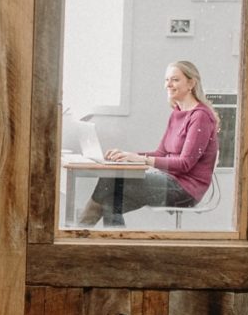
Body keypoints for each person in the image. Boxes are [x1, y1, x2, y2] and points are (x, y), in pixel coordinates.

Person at [78, 60, 219, 227]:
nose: (168, 84)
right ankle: (116, 248)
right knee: (110, 202)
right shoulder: (177, 113)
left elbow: (185, 164)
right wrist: (127, 155)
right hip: (169, 181)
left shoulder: (200, 116)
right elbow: (160, 153)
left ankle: (79, 230)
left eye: (175, 79)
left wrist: (140, 159)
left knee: (110, 180)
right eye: (167, 80)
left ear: (191, 83)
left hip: (186, 190)